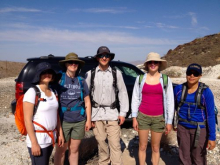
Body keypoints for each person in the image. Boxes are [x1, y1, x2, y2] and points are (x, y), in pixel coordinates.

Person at [85, 46, 129, 165]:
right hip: (96, 113)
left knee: (115, 144)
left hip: (112, 113)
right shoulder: (90, 74)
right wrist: (88, 118)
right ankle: (104, 163)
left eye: (106, 55)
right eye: (101, 55)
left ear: (110, 57)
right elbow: (86, 96)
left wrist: (123, 113)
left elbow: (123, 92)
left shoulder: (117, 74)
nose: (104, 58)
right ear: (98, 57)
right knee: (101, 143)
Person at [131, 52, 174, 165]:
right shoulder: (140, 79)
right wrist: (134, 117)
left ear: (159, 64)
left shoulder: (165, 79)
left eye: (155, 62)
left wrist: (169, 121)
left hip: (159, 118)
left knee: (155, 147)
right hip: (143, 117)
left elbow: (170, 101)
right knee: (142, 146)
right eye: (150, 62)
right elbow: (135, 98)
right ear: (147, 64)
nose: (153, 64)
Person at [174, 63, 216, 165]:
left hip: (200, 129)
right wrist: (172, 123)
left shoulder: (206, 92)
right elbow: (173, 108)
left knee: (198, 157)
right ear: (186, 74)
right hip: (182, 127)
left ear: (200, 76)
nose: (192, 76)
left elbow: (210, 115)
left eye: (195, 73)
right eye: (189, 73)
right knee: (184, 156)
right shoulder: (179, 89)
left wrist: (212, 137)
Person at [23, 62, 64, 165]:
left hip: (50, 138)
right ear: (38, 75)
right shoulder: (32, 92)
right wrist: (34, 143)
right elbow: (27, 120)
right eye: (44, 72)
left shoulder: (54, 92)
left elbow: (56, 116)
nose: (47, 75)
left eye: (49, 72)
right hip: (38, 139)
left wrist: (60, 134)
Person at [54, 52, 91, 165]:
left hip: (79, 120)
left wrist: (88, 120)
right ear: (66, 64)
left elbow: (87, 101)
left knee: (74, 150)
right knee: (61, 150)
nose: (73, 64)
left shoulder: (81, 81)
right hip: (63, 120)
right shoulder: (59, 79)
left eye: (76, 63)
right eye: (70, 62)